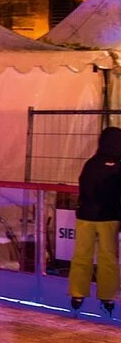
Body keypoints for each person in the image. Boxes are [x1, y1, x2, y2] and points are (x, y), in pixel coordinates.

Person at [70, 126, 121, 317]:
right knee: (108, 258)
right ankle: (107, 296)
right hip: (109, 217)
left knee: (82, 255)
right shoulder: (118, 167)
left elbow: (83, 187)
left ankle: (77, 294)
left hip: (85, 216)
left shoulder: (91, 164)